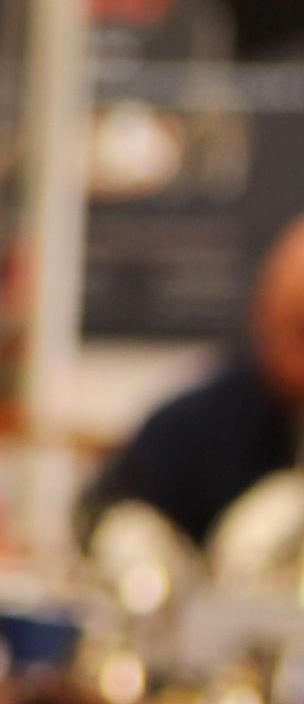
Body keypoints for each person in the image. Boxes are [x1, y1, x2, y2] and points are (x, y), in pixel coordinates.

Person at [90, 216, 304, 555]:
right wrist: (133, 540)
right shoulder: (200, 423)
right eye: (299, 330)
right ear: (262, 317)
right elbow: (104, 504)